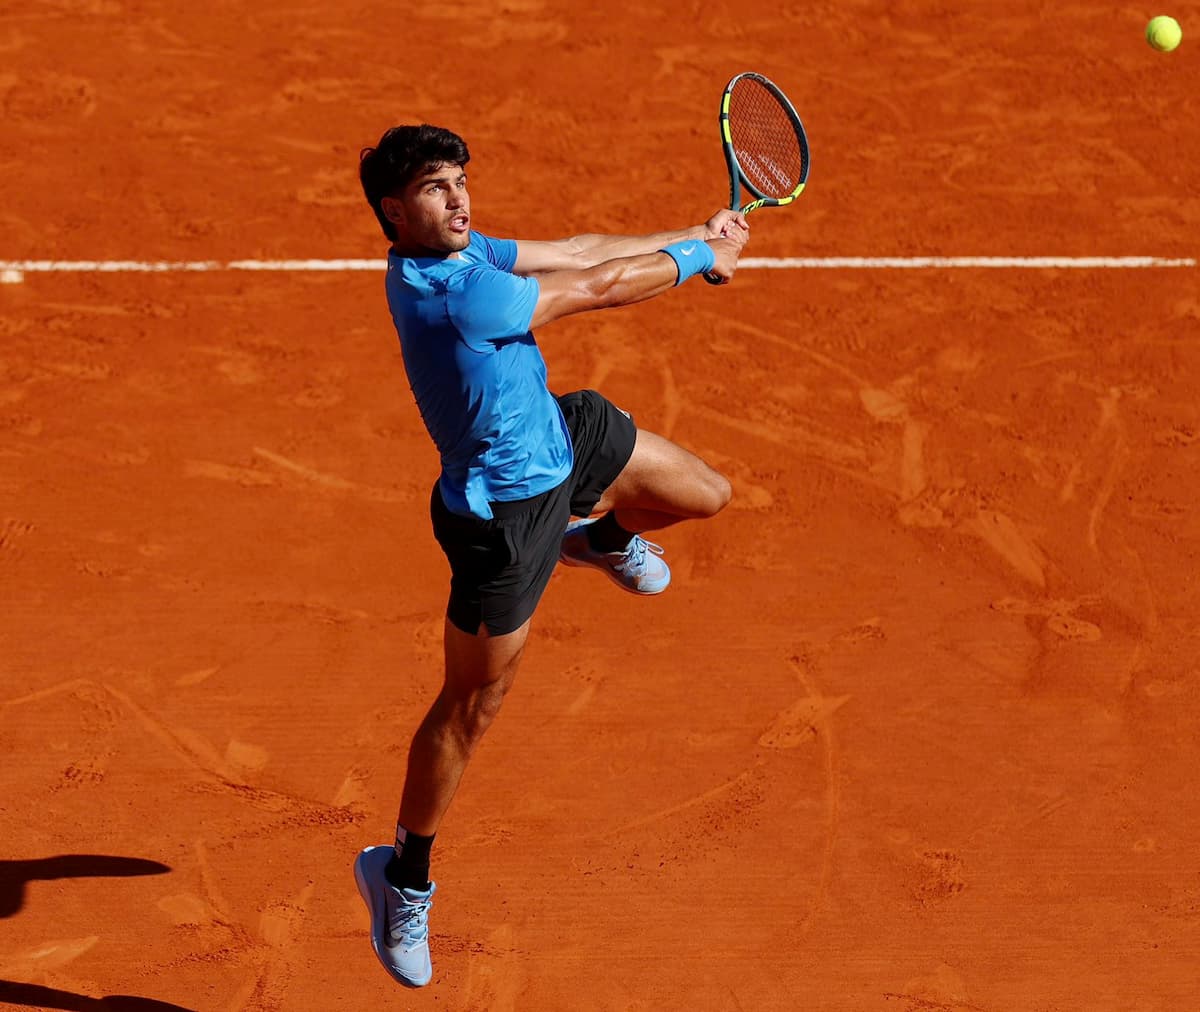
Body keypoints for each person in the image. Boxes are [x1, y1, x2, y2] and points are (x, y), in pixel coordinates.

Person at [353, 123, 749, 988]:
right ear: (395, 210)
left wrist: (688, 232)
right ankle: (401, 877)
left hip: (561, 438)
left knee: (705, 495)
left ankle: (600, 538)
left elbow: (576, 247)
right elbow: (599, 285)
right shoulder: (452, 294)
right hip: (502, 521)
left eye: (459, 179)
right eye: (433, 187)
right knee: (471, 706)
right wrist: (695, 259)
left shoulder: (464, 254)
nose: (457, 198)